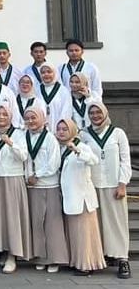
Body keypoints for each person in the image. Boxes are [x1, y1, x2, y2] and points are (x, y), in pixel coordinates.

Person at [81, 102, 132, 279]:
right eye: (92, 113)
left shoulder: (118, 133)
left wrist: (122, 183)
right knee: (95, 223)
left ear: (105, 113)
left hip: (113, 185)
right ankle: (97, 258)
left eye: (98, 112)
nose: (95, 116)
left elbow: (125, 161)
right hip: (92, 185)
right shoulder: (84, 134)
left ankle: (122, 259)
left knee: (117, 222)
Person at [56, 119, 105, 276]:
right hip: (69, 197)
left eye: (65, 129)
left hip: (82, 198)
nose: (61, 132)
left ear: (72, 130)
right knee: (74, 233)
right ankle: (76, 261)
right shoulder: (59, 148)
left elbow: (93, 160)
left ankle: (86, 264)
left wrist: (77, 151)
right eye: (59, 129)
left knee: (84, 233)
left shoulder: (81, 146)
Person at [23, 106, 68, 273]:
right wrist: (28, 176)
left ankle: (54, 258)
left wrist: (38, 174)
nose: (31, 121)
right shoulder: (24, 136)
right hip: (32, 186)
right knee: (36, 223)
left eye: (34, 117)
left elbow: (54, 163)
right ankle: (40, 257)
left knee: (52, 223)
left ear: (42, 119)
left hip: (49, 184)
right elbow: (26, 160)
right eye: (28, 118)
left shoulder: (50, 139)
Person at [0, 102, 31, 274]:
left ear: (11, 117)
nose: (1, 117)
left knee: (13, 218)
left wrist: (11, 143)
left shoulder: (19, 134)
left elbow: (24, 156)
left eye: (5, 114)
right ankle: (2, 250)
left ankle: (13, 255)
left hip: (13, 178)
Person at [35, 62, 71, 132]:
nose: (46, 74)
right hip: (41, 130)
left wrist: (60, 129)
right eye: (43, 72)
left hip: (59, 130)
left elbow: (66, 111)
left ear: (55, 73)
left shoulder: (63, 91)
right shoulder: (36, 90)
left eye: (49, 72)